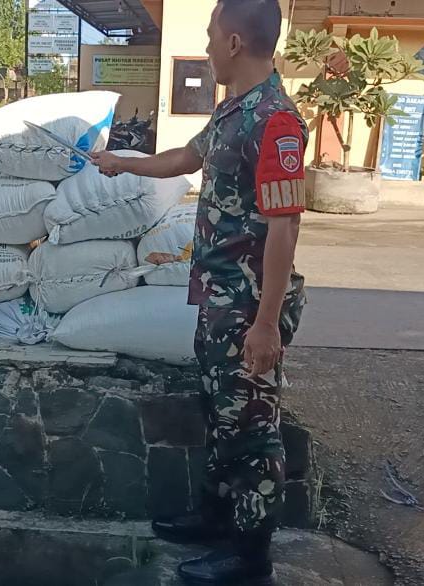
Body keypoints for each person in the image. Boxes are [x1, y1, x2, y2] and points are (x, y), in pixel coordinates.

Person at [91, 0, 307, 584]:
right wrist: (120, 163)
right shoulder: (234, 112)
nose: (208, 47)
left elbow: (284, 229)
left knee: (254, 429)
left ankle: (250, 557)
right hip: (220, 300)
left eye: (212, 36)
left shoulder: (276, 122)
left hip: (249, 306)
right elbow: (187, 158)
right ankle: (216, 520)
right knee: (223, 414)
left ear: (235, 43)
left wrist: (265, 325)